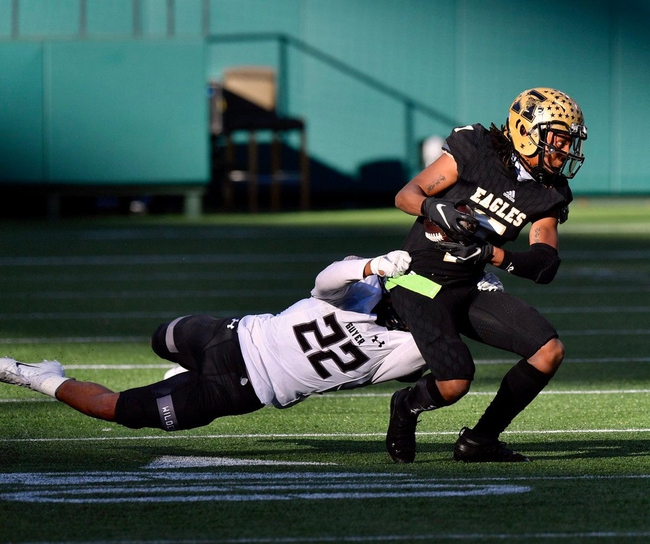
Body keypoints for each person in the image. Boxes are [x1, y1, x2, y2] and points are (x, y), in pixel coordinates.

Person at [1, 251, 433, 434]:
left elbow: (430, 355)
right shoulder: (363, 290)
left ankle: (35, 376)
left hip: (236, 391)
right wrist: (376, 265)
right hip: (228, 336)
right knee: (161, 338)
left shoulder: (407, 348)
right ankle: (182, 372)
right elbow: (329, 276)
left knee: (114, 409)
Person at [385, 87, 588, 463]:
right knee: (454, 383)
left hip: (470, 284)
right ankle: (406, 405)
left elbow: (544, 263)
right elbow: (405, 195)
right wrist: (435, 208)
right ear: (527, 131)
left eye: (568, 141)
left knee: (548, 352)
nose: (564, 151)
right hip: (416, 279)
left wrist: (493, 254)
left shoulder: (548, 193)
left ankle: (480, 440)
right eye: (558, 139)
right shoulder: (477, 149)